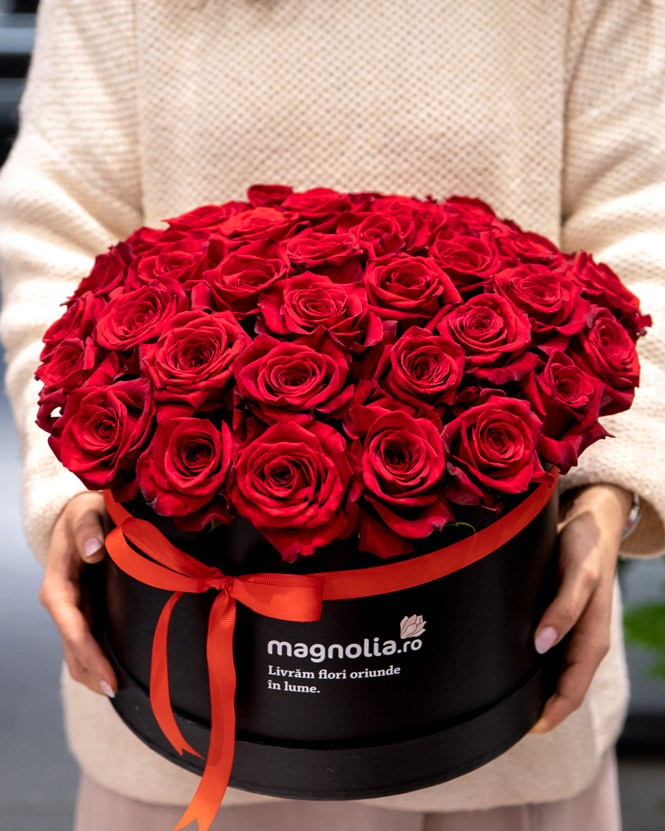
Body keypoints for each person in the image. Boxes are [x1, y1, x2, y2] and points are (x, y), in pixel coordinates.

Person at [0, 1, 663, 829]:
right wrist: (67, 485)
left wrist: (609, 491)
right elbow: (55, 233)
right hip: (186, 705)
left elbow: (643, 224)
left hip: (502, 695)